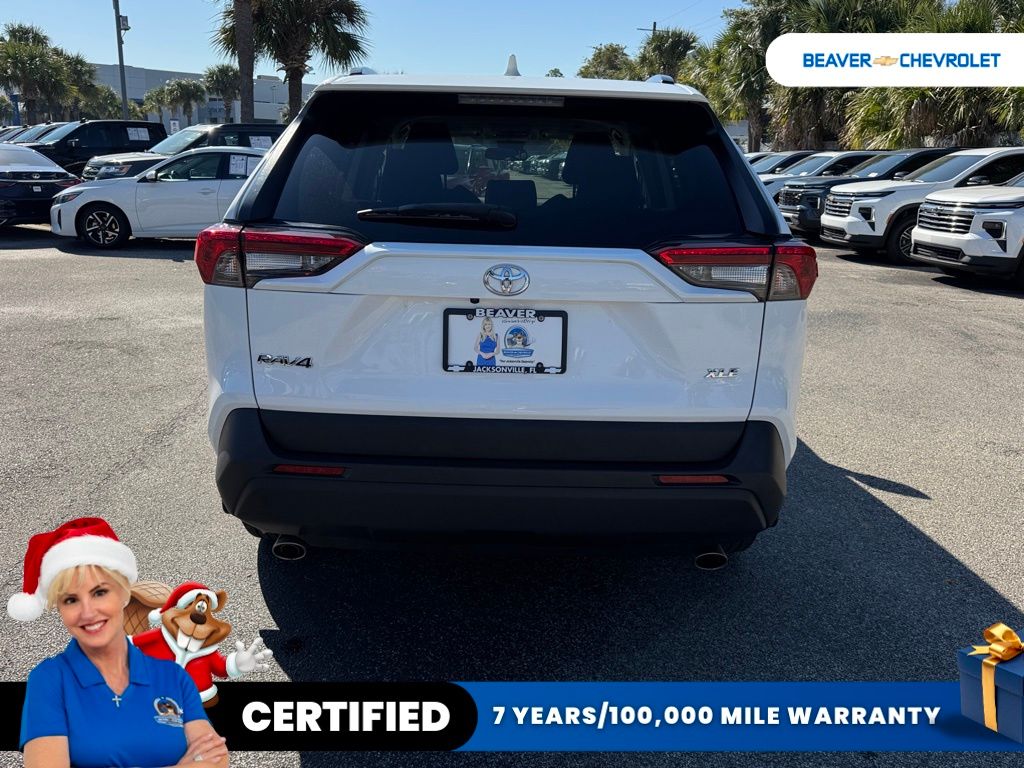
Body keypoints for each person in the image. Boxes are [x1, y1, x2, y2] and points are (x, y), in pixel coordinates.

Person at [8, 517, 229, 768]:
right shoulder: (50, 679)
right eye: (70, 600)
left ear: (124, 594)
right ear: (59, 608)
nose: (88, 612)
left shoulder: (173, 675)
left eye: (100, 592)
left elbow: (217, 759)